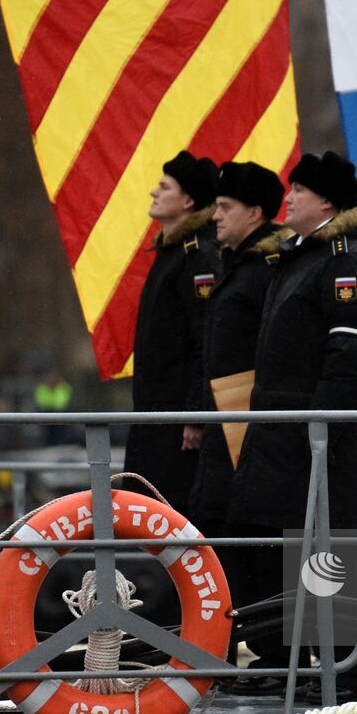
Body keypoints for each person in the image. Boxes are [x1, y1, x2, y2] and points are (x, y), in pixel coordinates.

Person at [226, 150, 357, 701]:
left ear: (326, 202)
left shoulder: (345, 260)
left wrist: (322, 435)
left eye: (298, 189)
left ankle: (347, 682)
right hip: (287, 438)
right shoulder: (299, 258)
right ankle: (308, 673)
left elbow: (348, 357)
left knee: (334, 557)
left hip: (325, 444)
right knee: (285, 550)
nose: (286, 198)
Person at [184, 161, 289, 690]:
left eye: (226, 209)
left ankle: (271, 656)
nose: (216, 216)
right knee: (218, 532)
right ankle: (223, 652)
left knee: (252, 537)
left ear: (254, 212)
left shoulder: (268, 265)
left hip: (250, 425)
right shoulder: (238, 262)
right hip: (224, 421)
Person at [122, 151, 220, 511]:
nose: (153, 192)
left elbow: (204, 341)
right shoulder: (172, 252)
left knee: (172, 514)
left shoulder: (198, 257)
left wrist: (195, 414)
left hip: (178, 425)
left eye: (164, 186)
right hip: (155, 416)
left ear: (188, 201)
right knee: (147, 512)